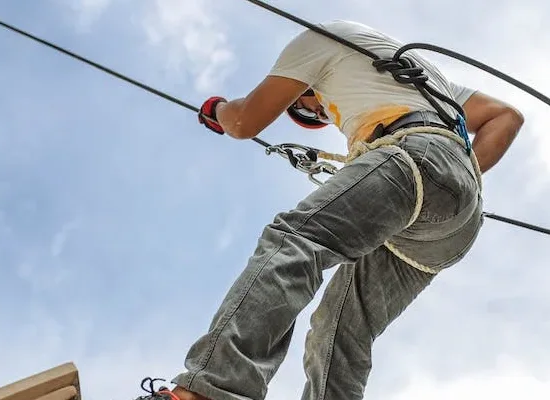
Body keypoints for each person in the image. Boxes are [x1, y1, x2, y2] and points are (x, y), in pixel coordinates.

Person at [136, 20, 524, 400]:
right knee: (340, 327)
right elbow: (505, 117)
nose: (321, 117)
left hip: (414, 153)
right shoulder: (425, 81)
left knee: (294, 242)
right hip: (456, 222)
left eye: (307, 108)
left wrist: (217, 109)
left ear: (302, 85)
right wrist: (454, 175)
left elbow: (243, 121)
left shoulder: (317, 42)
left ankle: (211, 391)